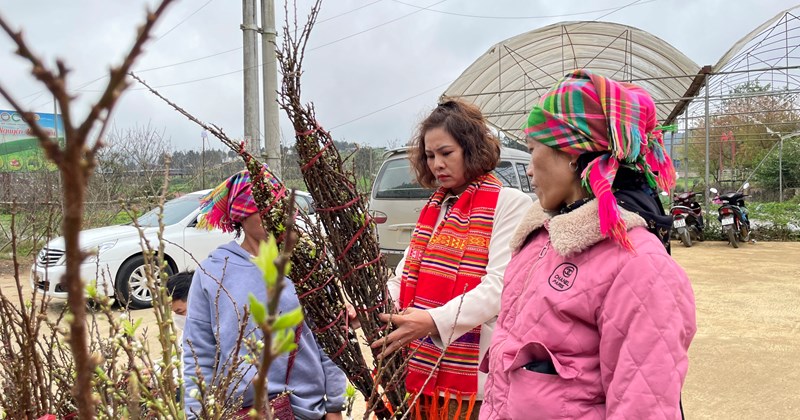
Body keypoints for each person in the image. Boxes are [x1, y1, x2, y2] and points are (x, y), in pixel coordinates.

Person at [480, 69, 697, 419]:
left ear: (571, 153)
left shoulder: (640, 265)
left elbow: (641, 407)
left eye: (533, 149)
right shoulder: (540, 241)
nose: (530, 171)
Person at [371, 99, 532, 419]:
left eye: (446, 153)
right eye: (430, 156)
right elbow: (402, 277)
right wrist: (372, 305)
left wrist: (433, 322)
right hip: (420, 374)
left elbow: (500, 286)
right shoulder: (435, 209)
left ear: (471, 149)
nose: (437, 165)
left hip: (474, 380)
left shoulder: (509, 204)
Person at [182, 168, 346, 420]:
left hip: (306, 410)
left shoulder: (306, 265)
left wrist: (334, 405)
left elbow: (331, 340)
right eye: (260, 206)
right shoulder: (213, 272)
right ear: (240, 213)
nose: (271, 214)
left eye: (275, 205)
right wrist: (195, 414)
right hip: (242, 411)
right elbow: (199, 350)